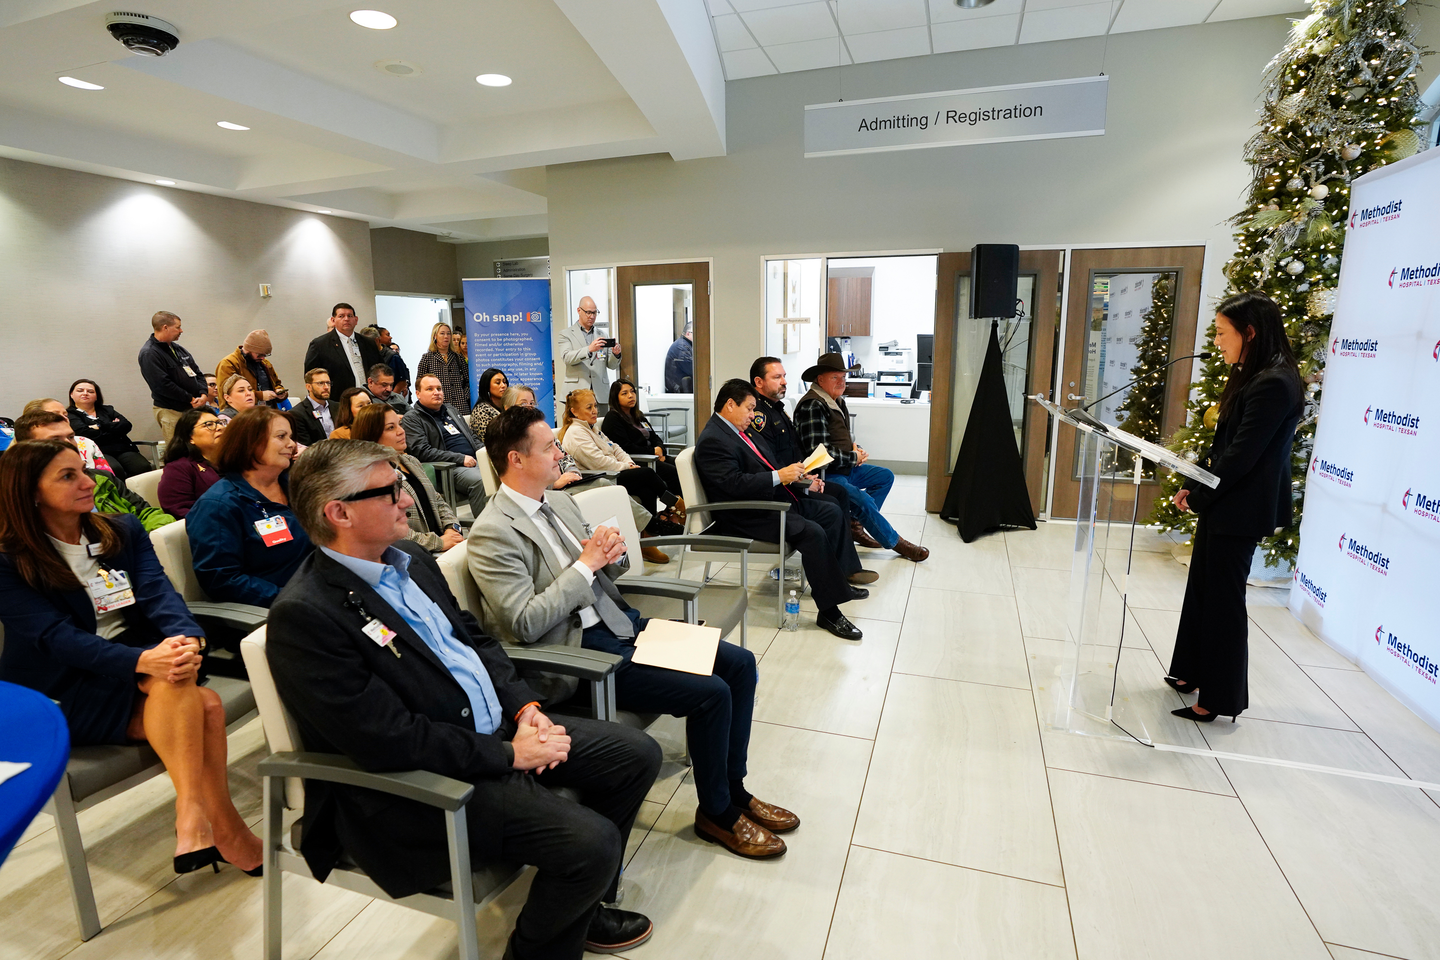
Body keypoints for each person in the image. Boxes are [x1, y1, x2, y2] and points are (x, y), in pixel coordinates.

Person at [266, 439, 661, 958]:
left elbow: (474, 641)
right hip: (419, 783)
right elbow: (385, 740)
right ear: (338, 512)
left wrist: (526, 708)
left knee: (636, 755)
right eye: (390, 492)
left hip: (494, 730)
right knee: (592, 842)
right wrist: (508, 755)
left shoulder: (409, 558)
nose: (407, 500)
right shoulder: (306, 616)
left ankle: (579, 909)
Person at [470, 406, 798, 860]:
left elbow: (607, 575)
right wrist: (586, 564)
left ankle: (735, 791)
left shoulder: (560, 501)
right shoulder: (492, 533)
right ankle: (717, 812)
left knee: (739, 665)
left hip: (620, 623)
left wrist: (613, 553)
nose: (560, 451)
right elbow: (524, 623)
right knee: (712, 693)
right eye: (549, 447)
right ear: (516, 459)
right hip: (579, 651)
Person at [0, 439, 264, 876]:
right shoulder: (9, 561)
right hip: (59, 686)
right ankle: (219, 826)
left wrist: (186, 640)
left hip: (137, 661)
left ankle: (195, 822)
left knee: (179, 679)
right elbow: (55, 638)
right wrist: (146, 662)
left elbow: (160, 592)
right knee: (206, 705)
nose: (89, 481)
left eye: (83, 469)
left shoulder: (120, 529)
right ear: (30, 492)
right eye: (68, 476)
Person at [1166, 291, 1304, 724]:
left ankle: (1220, 698)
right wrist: (1194, 485)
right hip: (1225, 500)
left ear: (1250, 332)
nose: (1218, 341)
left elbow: (1243, 456)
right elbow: (1221, 446)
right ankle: (1190, 672)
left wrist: (1203, 495)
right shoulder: (1254, 375)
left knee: (1223, 600)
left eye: (1224, 333)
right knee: (1203, 590)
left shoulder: (1274, 382)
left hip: (1241, 506)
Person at [696, 380, 866, 640]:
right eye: (749, 408)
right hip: (744, 513)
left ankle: (837, 580)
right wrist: (780, 476)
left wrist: (796, 477)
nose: (753, 416)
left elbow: (767, 464)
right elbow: (733, 484)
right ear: (730, 405)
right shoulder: (714, 440)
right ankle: (829, 612)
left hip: (769, 499)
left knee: (830, 511)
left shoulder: (741, 430)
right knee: (812, 533)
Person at [749, 358, 875, 585]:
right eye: (777, 377)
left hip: (793, 478)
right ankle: (840, 572)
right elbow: (767, 461)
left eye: (784, 376)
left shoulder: (777, 409)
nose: (784, 382)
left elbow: (793, 449)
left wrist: (805, 473)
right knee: (833, 506)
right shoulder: (759, 415)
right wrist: (800, 480)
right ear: (758, 382)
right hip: (780, 490)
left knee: (839, 494)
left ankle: (845, 567)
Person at [501, 386, 663, 563]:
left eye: (532, 403)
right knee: (606, 485)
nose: (529, 408)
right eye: (523, 404)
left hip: (570, 482)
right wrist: (555, 483)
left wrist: (571, 473)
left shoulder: (542, 431)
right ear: (508, 408)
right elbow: (513, 480)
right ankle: (654, 525)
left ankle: (647, 536)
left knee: (628, 484)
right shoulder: (505, 440)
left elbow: (565, 457)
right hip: (549, 491)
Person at [794, 353, 929, 563]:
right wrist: (852, 457)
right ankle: (896, 543)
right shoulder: (813, 405)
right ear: (820, 379)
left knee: (884, 477)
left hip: (844, 468)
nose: (842, 383)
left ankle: (855, 524)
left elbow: (841, 438)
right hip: (825, 474)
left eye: (843, 378)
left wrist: (858, 449)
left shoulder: (835, 400)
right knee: (863, 500)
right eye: (835, 378)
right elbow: (817, 452)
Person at [186, 407, 312, 607]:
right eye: (281, 436)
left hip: (318, 588)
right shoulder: (218, 505)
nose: (292, 445)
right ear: (250, 443)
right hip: (283, 606)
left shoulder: (294, 486)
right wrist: (291, 599)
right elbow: (222, 580)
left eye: (290, 436)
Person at [14, 412, 175, 531]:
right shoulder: (22, 495)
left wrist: (150, 541)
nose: (69, 445)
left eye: (71, 437)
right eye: (54, 440)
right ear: (28, 448)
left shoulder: (100, 478)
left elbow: (145, 513)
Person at [559, 390, 683, 539]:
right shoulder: (576, 433)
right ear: (574, 411)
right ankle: (675, 507)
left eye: (595, 406)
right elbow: (598, 463)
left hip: (614, 471)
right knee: (647, 474)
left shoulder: (592, 428)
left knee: (646, 489)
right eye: (589, 407)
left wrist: (628, 462)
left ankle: (648, 538)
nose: (594, 411)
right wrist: (626, 467)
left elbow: (616, 448)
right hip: (601, 478)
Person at [350, 403, 463, 553]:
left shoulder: (410, 461)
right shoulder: (368, 476)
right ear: (372, 435)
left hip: (443, 544)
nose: (401, 431)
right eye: (391, 428)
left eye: (400, 424)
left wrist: (452, 528)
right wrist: (438, 543)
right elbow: (388, 529)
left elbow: (437, 500)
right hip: (412, 554)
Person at [400, 373, 488, 517]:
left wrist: (487, 454)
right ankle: (486, 532)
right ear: (418, 394)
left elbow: (472, 437)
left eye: (439, 389)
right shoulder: (412, 418)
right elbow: (422, 451)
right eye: (430, 389)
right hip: (448, 468)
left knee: (507, 472)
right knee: (481, 481)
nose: (436, 392)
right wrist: (460, 458)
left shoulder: (450, 410)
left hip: (474, 460)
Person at [601, 379, 684, 507]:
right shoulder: (613, 418)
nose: (630, 396)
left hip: (654, 456)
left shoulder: (638, 416)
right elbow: (625, 447)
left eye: (632, 392)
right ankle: (675, 508)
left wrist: (659, 449)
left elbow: (654, 436)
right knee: (672, 472)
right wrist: (652, 452)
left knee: (681, 466)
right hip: (640, 460)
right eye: (624, 393)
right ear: (615, 397)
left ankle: (683, 507)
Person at [138, 310, 210, 443]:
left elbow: (197, 373)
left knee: (198, 447)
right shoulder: (150, 353)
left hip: (192, 407)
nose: (181, 331)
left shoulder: (178, 349)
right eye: (178, 327)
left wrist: (203, 393)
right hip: (172, 411)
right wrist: (190, 398)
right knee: (179, 451)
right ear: (165, 327)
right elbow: (162, 385)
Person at [65, 379, 152, 479]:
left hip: (122, 448)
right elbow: (85, 433)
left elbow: (126, 425)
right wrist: (113, 427)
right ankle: (120, 494)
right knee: (114, 469)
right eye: (80, 390)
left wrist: (99, 426)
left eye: (90, 391)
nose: (85, 393)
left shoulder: (107, 410)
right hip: (98, 451)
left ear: (97, 396)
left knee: (142, 467)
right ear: (71, 394)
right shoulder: (70, 414)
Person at [157, 409, 225, 519]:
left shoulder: (231, 459)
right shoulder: (179, 468)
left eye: (219, 423)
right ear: (190, 438)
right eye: (209, 425)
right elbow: (178, 509)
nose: (220, 427)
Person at [303, 303, 382, 396]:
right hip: (338, 401)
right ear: (333, 320)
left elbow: (379, 369)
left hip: (369, 398)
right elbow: (311, 377)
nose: (346, 319)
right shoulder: (319, 345)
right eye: (341, 316)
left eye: (350, 316)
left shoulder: (369, 343)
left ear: (356, 320)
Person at [557, 297, 620, 407]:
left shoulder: (603, 335)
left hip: (600, 394)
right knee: (576, 424)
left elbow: (612, 365)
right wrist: (589, 349)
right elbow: (567, 358)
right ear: (579, 311)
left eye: (595, 313)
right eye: (588, 312)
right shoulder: (566, 334)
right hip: (576, 393)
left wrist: (616, 354)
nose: (592, 316)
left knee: (600, 423)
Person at [26, 398, 114, 476]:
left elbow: (109, 480)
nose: (64, 419)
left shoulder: (85, 442)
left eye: (65, 415)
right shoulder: (29, 448)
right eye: (55, 415)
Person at [215, 330, 289, 409]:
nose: (263, 358)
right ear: (248, 350)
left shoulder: (265, 363)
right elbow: (226, 393)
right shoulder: (228, 364)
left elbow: (277, 383)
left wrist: (279, 391)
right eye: (260, 355)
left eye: (265, 355)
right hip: (241, 414)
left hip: (267, 412)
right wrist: (260, 395)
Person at [415, 323, 472, 417]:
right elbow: (419, 383)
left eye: (448, 333)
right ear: (435, 336)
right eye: (442, 333)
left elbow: (469, 381)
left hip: (460, 406)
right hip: (438, 405)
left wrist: (464, 396)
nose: (446, 336)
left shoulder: (458, 357)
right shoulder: (427, 358)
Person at [292, 369, 339, 447]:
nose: (326, 387)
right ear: (309, 387)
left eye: (328, 383)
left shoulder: (338, 407)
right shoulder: (297, 414)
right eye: (320, 383)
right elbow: (305, 446)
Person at [468, 367, 508, 441]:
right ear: (487, 386)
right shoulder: (481, 411)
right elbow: (489, 439)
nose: (503, 386)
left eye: (504, 382)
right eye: (498, 383)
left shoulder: (507, 407)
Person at [664, 321, 694, 393]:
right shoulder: (681, 346)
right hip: (678, 390)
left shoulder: (683, 344)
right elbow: (691, 369)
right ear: (688, 333)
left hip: (678, 388)